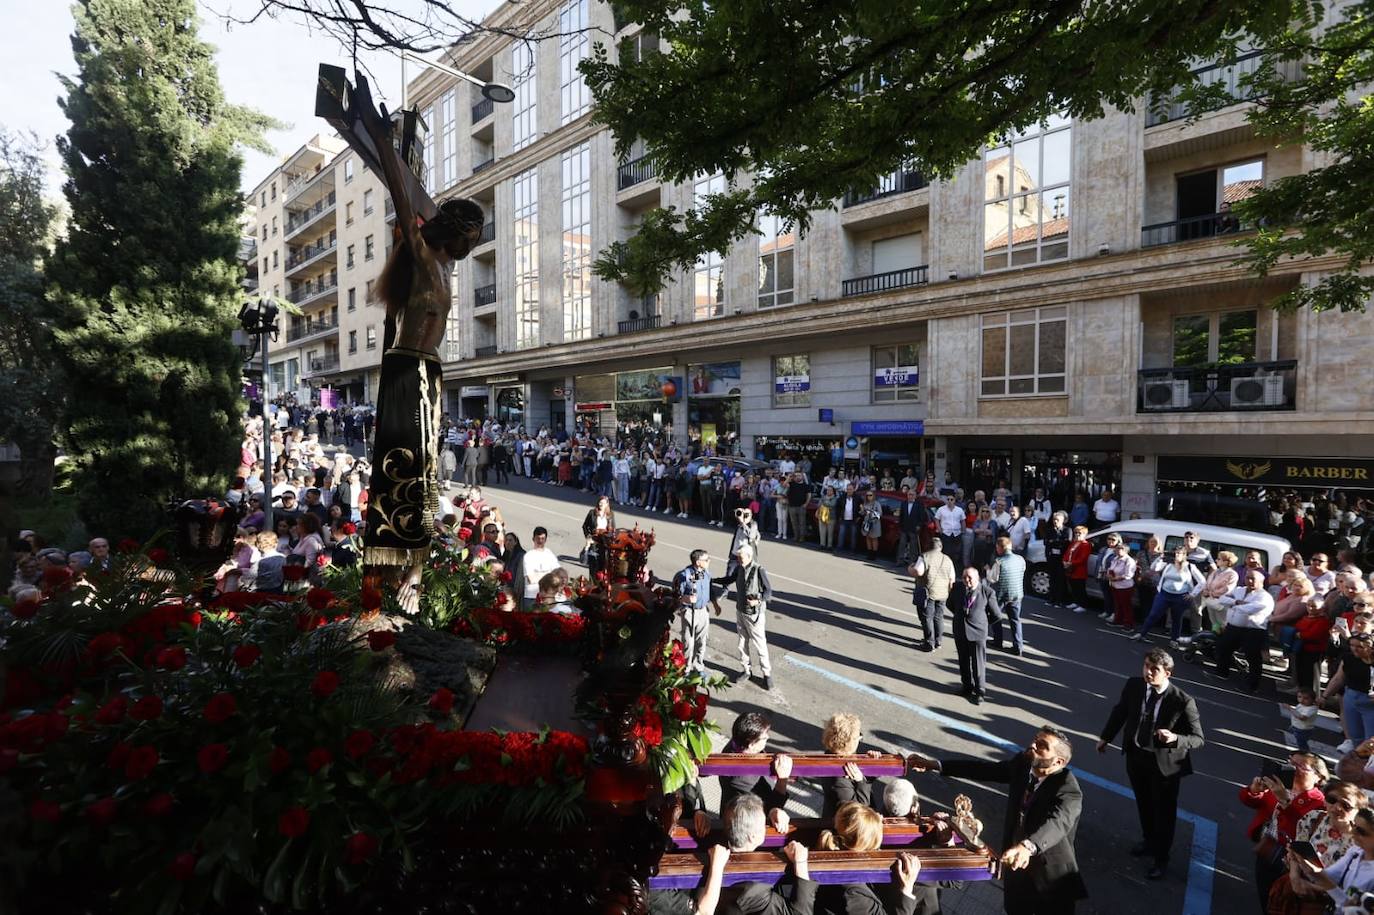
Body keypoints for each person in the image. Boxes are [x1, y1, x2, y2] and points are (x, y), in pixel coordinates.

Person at [908, 727, 1088, 914]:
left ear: (1058, 761)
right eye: (1035, 740)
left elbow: (1058, 822)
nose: (1033, 745)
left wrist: (1027, 847)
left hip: (1051, 880)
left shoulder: (1068, 790)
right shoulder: (1023, 763)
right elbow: (986, 770)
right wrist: (937, 765)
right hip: (1016, 870)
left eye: (1042, 745)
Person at [1097, 648, 1205, 880]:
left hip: (1165, 765)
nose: (1148, 672)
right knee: (1144, 803)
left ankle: (1161, 858)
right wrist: (1106, 737)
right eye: (1146, 666)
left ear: (1168, 673)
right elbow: (1121, 712)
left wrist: (1175, 738)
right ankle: (1148, 841)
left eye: (1154, 669)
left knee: (1164, 812)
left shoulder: (1182, 701)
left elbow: (1198, 739)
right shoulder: (1134, 685)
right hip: (1137, 755)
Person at [1239, 753, 1329, 908]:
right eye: (1291, 763)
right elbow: (1251, 801)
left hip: (1291, 860)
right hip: (1267, 848)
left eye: (1301, 767)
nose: (1293, 769)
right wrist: (1255, 791)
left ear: (1318, 778)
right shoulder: (1281, 788)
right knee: (1265, 894)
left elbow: (1303, 832)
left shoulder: (1319, 803)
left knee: (1282, 901)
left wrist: (1285, 802)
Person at [816, 802, 929, 915]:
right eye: (875, 848)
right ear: (865, 849)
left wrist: (872, 825)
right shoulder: (854, 896)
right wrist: (906, 889)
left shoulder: (834, 850)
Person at [714, 794, 817, 915]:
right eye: (763, 825)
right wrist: (801, 864)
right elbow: (800, 913)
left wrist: (773, 810)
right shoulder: (752, 893)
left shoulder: (721, 842)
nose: (766, 827)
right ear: (752, 837)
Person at [1213, 569, 1276, 693]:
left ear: (1261, 582)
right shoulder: (1239, 590)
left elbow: (1251, 609)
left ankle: (1252, 685)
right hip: (1234, 627)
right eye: (1248, 578)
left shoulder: (1265, 597)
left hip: (1253, 630)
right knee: (1223, 648)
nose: (1250, 581)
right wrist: (1236, 601)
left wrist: (1235, 606)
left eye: (1253, 579)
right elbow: (1221, 599)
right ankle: (1222, 673)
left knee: (1253, 658)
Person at [948, 567, 1002, 704]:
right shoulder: (957, 588)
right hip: (960, 631)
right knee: (963, 661)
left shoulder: (987, 592)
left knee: (978, 663)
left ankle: (979, 691)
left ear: (977, 578)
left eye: (970, 577)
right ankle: (966, 686)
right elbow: (950, 604)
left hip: (978, 634)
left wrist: (983, 623)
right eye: (964, 577)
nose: (967, 580)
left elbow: (996, 615)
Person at [1132, 545, 1204, 644]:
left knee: (1177, 619)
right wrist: (1160, 558)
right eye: (1175, 553)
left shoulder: (1190, 566)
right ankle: (1141, 634)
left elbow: (1202, 582)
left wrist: (1192, 594)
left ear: (1184, 555)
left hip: (1180, 597)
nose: (1177, 555)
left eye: (1179, 553)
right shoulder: (1168, 563)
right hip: (1164, 594)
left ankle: (1174, 640)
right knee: (1153, 615)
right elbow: (1154, 568)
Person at [727, 545, 775, 690]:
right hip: (740, 610)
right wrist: (713, 581)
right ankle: (746, 670)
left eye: (741, 558)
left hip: (754, 615)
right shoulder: (739, 568)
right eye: (738, 557)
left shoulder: (759, 570)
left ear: (749, 556)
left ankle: (767, 675)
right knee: (742, 643)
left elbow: (768, 592)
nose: (739, 560)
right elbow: (729, 579)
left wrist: (758, 600)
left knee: (760, 644)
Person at [674, 550, 722, 674]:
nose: (709, 561)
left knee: (701, 642)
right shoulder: (685, 575)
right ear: (698, 562)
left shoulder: (705, 573)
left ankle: (698, 667)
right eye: (706, 560)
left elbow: (710, 590)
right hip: (689, 612)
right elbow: (677, 595)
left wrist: (716, 604)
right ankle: (685, 669)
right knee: (688, 643)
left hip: (703, 612)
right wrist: (686, 599)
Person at [910, 539, 955, 653]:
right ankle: (938, 640)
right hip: (943, 593)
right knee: (938, 617)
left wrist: (911, 568)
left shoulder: (925, 556)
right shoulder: (947, 559)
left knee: (927, 618)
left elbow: (918, 572)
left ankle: (929, 642)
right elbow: (952, 578)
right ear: (941, 547)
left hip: (928, 592)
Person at [988, 537, 1027, 655]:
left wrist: (987, 570)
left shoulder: (999, 561)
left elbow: (992, 578)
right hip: (1017, 594)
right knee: (1015, 620)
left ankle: (998, 640)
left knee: (996, 616)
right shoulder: (1020, 559)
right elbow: (1023, 570)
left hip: (1001, 594)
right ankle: (1018, 646)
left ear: (1000, 548)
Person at [521, 526, 561, 610]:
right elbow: (531, 578)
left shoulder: (549, 553)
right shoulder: (528, 556)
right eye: (538, 538)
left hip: (547, 596)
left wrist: (539, 574)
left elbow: (558, 573)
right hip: (532, 597)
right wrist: (549, 574)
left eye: (543, 538)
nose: (540, 541)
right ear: (533, 539)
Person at [1104, 540, 1138, 629]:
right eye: (1118, 548)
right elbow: (1111, 569)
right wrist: (1109, 575)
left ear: (1126, 551)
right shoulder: (1115, 558)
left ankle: (1129, 624)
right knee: (1117, 604)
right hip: (1115, 585)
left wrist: (1116, 579)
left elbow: (1128, 575)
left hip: (1125, 587)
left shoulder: (1129, 561)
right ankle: (1118, 621)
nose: (1119, 550)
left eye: (1121, 549)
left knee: (1126, 606)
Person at [581, 495, 615, 569]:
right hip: (595, 537)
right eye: (600, 502)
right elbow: (585, 526)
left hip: (605, 539)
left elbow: (613, 529)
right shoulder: (592, 513)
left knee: (605, 560)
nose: (601, 504)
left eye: (603, 503)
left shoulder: (610, 515)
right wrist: (588, 536)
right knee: (588, 560)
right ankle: (585, 550)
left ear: (607, 504)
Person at [1062, 525, 1091, 613]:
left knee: (1080, 588)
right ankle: (1075, 601)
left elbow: (1083, 558)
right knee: (1073, 586)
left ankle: (1082, 605)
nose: (1078, 535)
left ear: (1085, 534)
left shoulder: (1086, 545)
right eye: (1076, 533)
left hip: (1079, 570)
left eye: (1080, 533)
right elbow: (1067, 553)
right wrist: (1064, 561)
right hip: (1070, 569)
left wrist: (1071, 563)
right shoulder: (1073, 543)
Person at [934, 493, 965, 573]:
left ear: (954, 501)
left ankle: (954, 569)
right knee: (946, 552)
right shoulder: (941, 509)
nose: (949, 501)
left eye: (951, 499)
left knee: (956, 552)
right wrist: (939, 529)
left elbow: (962, 521)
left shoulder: (959, 510)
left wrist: (963, 530)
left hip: (956, 533)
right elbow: (936, 519)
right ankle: (944, 569)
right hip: (946, 533)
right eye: (948, 499)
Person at [896, 490, 925, 565]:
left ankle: (912, 562)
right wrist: (900, 526)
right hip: (904, 527)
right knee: (902, 545)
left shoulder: (919, 504)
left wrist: (919, 526)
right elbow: (901, 516)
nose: (910, 496)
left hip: (914, 528)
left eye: (912, 495)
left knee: (913, 546)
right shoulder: (904, 503)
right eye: (909, 494)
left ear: (915, 496)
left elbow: (922, 517)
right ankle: (900, 561)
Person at [859, 490, 883, 560]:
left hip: (875, 523)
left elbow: (880, 514)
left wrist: (871, 513)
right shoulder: (865, 503)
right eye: (867, 495)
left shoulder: (877, 504)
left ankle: (874, 554)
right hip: (867, 523)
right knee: (868, 537)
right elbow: (862, 513)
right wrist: (862, 510)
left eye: (870, 495)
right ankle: (869, 553)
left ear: (873, 496)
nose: (869, 497)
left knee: (874, 538)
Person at [816, 485, 838, 550]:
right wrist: (826, 503)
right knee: (822, 531)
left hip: (831, 517)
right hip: (822, 516)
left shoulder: (835, 498)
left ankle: (829, 546)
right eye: (828, 490)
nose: (829, 491)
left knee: (830, 532)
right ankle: (822, 544)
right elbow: (819, 504)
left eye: (830, 490)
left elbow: (832, 505)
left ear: (833, 491)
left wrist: (824, 502)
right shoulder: (823, 497)